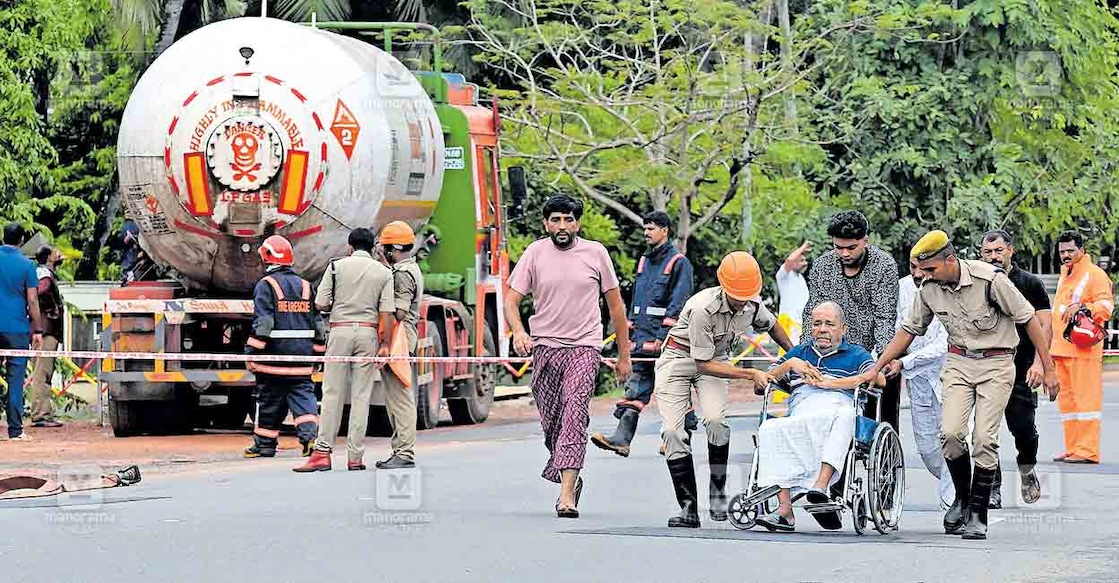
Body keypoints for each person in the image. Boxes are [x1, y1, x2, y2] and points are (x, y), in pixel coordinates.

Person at [860, 230, 1059, 540]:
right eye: (920, 270)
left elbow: (1029, 319)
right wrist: (879, 365)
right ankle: (963, 500)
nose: (922, 276)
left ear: (950, 260)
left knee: (983, 438)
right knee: (951, 434)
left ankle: (978, 511)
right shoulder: (928, 288)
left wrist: (1048, 367)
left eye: (929, 269)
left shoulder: (989, 280)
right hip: (958, 364)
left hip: (996, 363)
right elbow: (909, 329)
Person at [504, 195, 632, 519]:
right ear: (545, 223)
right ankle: (568, 475)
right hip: (545, 348)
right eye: (556, 220)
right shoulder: (534, 253)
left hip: (584, 347)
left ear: (578, 223)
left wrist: (624, 356)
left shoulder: (596, 254)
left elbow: (616, 307)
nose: (563, 226)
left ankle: (566, 496)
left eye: (569, 220)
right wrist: (519, 331)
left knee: (575, 413)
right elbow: (511, 301)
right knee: (553, 425)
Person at [655, 251, 794, 528]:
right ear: (723, 286)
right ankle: (688, 508)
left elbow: (773, 325)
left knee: (717, 421)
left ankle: (717, 493)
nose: (741, 301)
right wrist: (751, 373)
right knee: (673, 431)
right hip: (679, 359)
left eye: (746, 295)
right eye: (736, 295)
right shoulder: (701, 308)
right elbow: (701, 364)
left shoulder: (752, 305)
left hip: (715, 359)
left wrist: (795, 355)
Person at [754, 302, 885, 532]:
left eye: (829, 324)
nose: (822, 329)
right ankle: (784, 510)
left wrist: (830, 383)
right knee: (769, 429)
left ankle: (820, 487)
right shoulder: (800, 353)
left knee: (845, 415)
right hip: (803, 407)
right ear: (810, 328)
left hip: (839, 403)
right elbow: (766, 379)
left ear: (843, 329)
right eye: (817, 324)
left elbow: (880, 379)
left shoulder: (856, 354)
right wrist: (792, 364)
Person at [591, 210, 694, 457]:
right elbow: (639, 300)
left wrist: (664, 335)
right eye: (645, 228)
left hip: (667, 342)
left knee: (673, 388)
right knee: (635, 389)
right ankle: (622, 439)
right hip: (642, 339)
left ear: (665, 231)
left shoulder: (679, 263)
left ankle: (680, 439)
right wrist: (632, 332)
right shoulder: (644, 262)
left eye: (651, 228)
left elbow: (679, 302)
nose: (646, 232)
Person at [295, 228, 395, 472]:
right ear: (372, 248)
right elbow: (387, 313)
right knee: (361, 396)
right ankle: (355, 457)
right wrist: (385, 345)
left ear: (350, 247)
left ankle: (322, 453)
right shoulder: (383, 273)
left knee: (332, 393)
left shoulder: (336, 267)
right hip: (368, 333)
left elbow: (320, 303)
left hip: (339, 331)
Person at [801, 211, 900, 434]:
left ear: (866, 240)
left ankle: (885, 447)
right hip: (833, 349)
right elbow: (813, 314)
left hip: (871, 349)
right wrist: (806, 353)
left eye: (851, 247)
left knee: (887, 377)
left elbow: (884, 317)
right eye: (838, 247)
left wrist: (883, 358)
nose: (844, 253)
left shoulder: (884, 265)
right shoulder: (822, 266)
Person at [979, 230, 1052, 505]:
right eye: (988, 252)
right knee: (985, 431)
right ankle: (992, 487)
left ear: (1011, 250)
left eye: (998, 250)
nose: (994, 256)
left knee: (1023, 428)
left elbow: (1045, 325)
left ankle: (1027, 467)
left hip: (1021, 367)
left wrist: (1039, 364)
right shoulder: (979, 282)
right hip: (986, 366)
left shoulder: (1030, 283)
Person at [243, 235, 323, 459]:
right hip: (302, 360)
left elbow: (264, 324)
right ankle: (310, 439)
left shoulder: (265, 285)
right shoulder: (306, 286)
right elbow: (318, 325)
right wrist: (317, 355)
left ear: (267, 258)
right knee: (304, 397)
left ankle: (265, 445)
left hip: (273, 359)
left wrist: (251, 353)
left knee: (269, 400)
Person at [886, 256, 953, 509]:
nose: (917, 273)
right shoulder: (901, 289)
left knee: (954, 439)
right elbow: (895, 332)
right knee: (929, 451)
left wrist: (905, 362)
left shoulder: (951, 288)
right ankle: (959, 483)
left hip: (952, 377)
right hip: (919, 383)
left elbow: (944, 343)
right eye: (913, 267)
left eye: (923, 268)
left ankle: (952, 506)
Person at [1051, 230, 1113, 465]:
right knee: (1069, 402)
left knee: (1086, 401)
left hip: (1083, 350)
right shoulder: (1066, 274)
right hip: (1063, 349)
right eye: (1062, 252)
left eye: (1070, 251)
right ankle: (1073, 448)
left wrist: (1084, 307)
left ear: (1082, 250)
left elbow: (1106, 306)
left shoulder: (1094, 274)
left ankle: (1088, 451)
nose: (1066, 255)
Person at [377, 220, 425, 470]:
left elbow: (399, 311)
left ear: (392, 248)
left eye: (385, 247)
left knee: (400, 398)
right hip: (402, 337)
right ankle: (400, 449)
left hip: (399, 339)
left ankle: (404, 451)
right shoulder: (408, 269)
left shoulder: (403, 274)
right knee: (396, 397)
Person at [0, 223, 42, 441]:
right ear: (22, 239)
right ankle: (15, 431)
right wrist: (38, 329)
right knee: (15, 381)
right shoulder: (26, 265)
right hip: (17, 330)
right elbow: (33, 299)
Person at [30, 245, 65, 428]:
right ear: (49, 258)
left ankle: (43, 412)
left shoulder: (43, 272)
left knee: (44, 372)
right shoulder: (44, 274)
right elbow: (41, 292)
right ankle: (40, 415)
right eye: (55, 252)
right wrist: (51, 310)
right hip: (46, 330)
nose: (59, 254)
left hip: (45, 329)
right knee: (42, 372)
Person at [776, 241, 811, 345]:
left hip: (801, 326)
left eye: (805, 260)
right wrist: (803, 247)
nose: (805, 263)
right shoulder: (783, 276)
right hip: (789, 324)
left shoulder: (800, 279)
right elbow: (790, 260)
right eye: (801, 260)